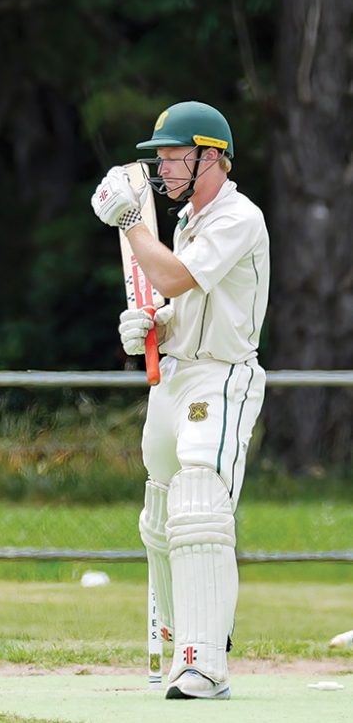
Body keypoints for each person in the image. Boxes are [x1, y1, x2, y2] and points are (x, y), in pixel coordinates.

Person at [91, 102, 269, 700]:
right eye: (160, 158)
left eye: (173, 156)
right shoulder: (191, 221)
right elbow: (180, 299)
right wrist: (151, 325)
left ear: (210, 157)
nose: (163, 168)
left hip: (222, 376)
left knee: (199, 499)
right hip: (176, 374)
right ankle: (184, 633)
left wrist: (131, 223)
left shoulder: (238, 217)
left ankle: (205, 660)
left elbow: (171, 276)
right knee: (161, 511)